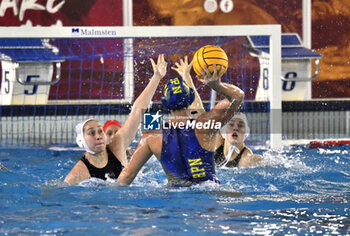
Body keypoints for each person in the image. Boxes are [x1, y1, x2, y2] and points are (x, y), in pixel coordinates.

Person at [117, 57, 245, 187]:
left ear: (165, 104)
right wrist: (217, 86)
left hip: (174, 201)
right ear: (190, 99)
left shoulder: (151, 137)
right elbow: (238, 96)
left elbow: (127, 174)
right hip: (208, 199)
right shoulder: (205, 124)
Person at [64, 54, 168, 185]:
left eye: (100, 131)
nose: (98, 136)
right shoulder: (77, 174)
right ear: (81, 141)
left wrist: (157, 77)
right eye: (91, 133)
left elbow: (136, 111)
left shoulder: (117, 145)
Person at [177, 57, 262, 168]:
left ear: (246, 133)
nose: (235, 128)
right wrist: (186, 75)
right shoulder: (215, 141)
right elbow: (197, 109)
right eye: (231, 124)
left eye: (240, 125)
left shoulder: (247, 159)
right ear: (222, 131)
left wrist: (217, 86)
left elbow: (238, 96)